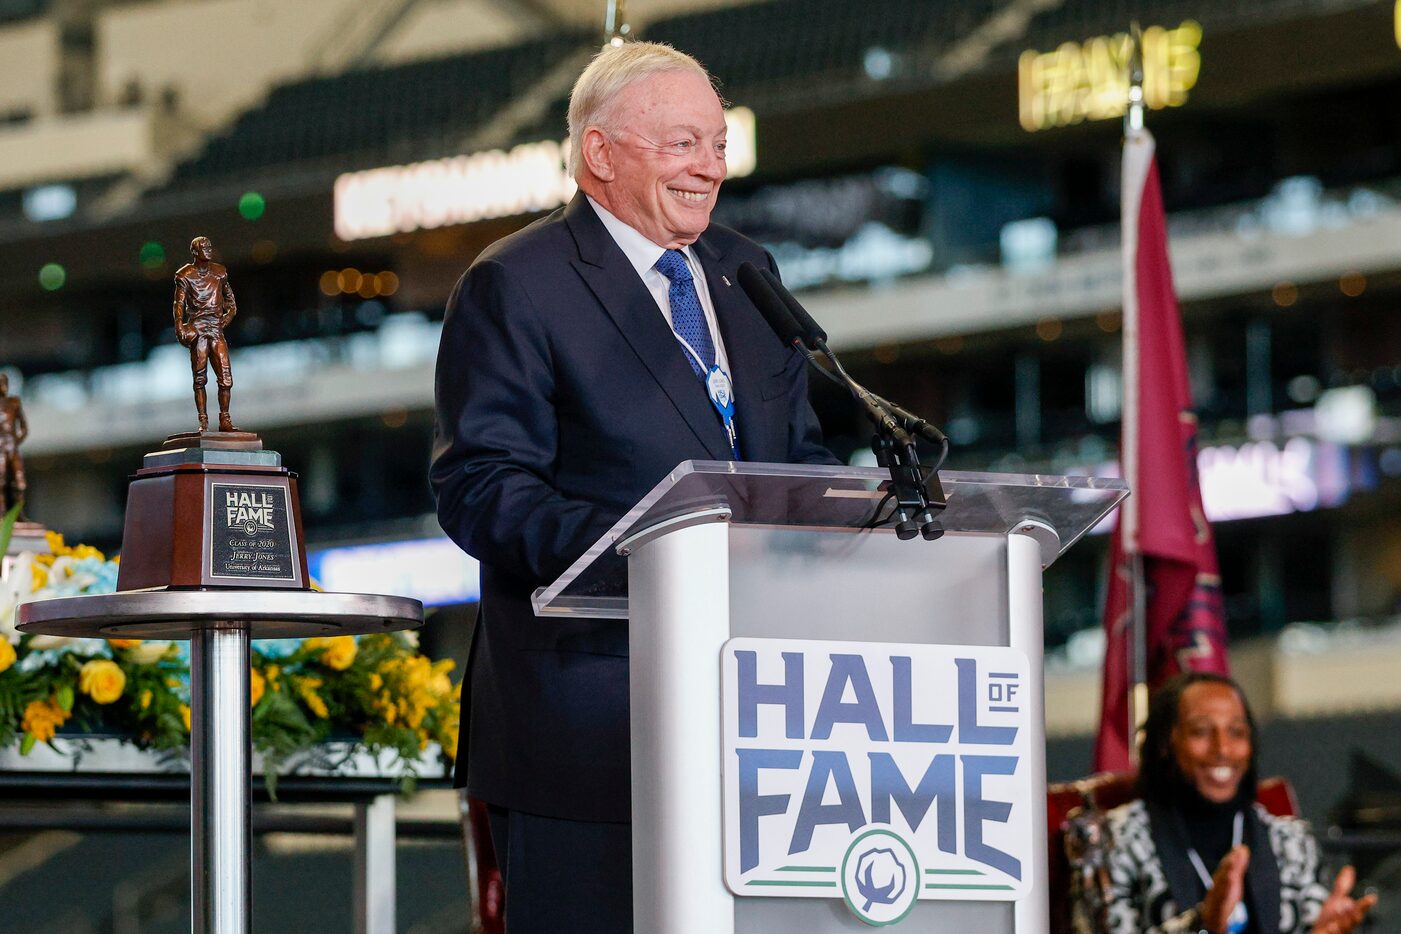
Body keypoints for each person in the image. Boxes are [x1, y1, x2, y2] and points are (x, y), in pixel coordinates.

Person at [430, 41, 835, 932]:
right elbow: (482, 483)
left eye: (719, 145)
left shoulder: (746, 269)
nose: (710, 168)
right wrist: (655, 552)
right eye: (682, 143)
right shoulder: (516, 282)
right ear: (601, 154)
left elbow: (796, 456)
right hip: (589, 730)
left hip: (759, 722)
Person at [1074, 672, 1377, 934]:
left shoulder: (1290, 841)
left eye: (1236, 732)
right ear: (1167, 742)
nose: (1222, 749)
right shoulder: (1113, 841)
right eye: (1201, 732)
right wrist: (1203, 924)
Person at [172, 236, 239, 432]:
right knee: (200, 378)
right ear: (195, 252)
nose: (208, 249)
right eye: (204, 247)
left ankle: (224, 418)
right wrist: (180, 327)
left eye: (210, 246)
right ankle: (203, 420)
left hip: (215, 329)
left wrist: (226, 318)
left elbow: (231, 302)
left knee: (225, 377)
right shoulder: (185, 275)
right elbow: (179, 304)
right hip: (198, 329)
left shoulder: (219, 272)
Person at [0, 373, 28, 516]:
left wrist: (15, 442)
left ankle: (18, 513)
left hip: (12, 447)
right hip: (0, 449)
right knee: (1, 481)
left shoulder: (14, 402)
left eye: (4, 383)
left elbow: (24, 428)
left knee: (20, 482)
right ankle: (3, 514)